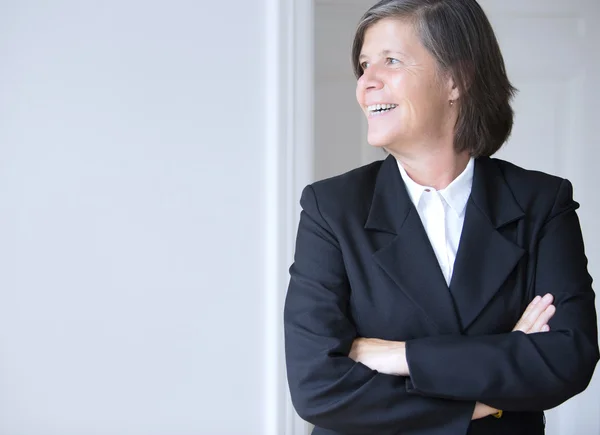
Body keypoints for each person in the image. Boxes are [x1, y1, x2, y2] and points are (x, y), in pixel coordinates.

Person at [283, 0, 600, 434]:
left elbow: (568, 357)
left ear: (456, 79)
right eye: (363, 65)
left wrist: (400, 356)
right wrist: (490, 387)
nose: (365, 83)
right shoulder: (331, 208)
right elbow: (318, 387)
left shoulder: (542, 203)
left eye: (390, 61)